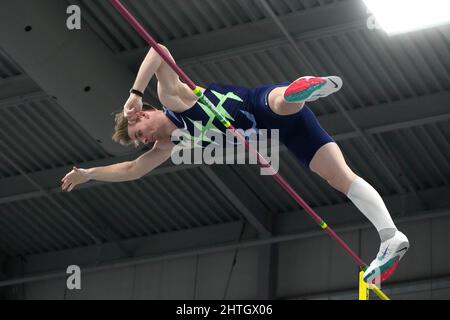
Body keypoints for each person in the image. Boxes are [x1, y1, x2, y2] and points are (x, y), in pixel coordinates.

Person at [61, 44, 409, 284]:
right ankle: (390, 236)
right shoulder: (170, 144)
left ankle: (298, 90)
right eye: (138, 141)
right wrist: (90, 174)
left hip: (257, 105)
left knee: (275, 102)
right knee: (339, 177)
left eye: (138, 130)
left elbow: (160, 51)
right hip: (284, 134)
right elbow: (132, 170)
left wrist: (135, 92)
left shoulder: (171, 97)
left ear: (143, 113)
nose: (143, 139)